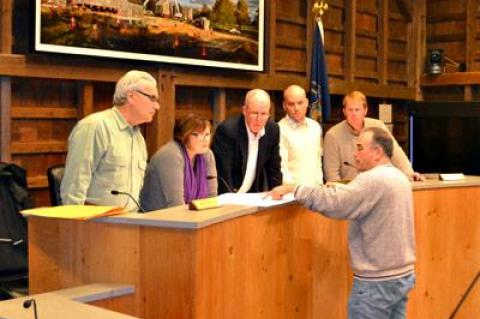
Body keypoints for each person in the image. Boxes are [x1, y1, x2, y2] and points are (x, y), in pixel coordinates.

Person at [270, 127, 416, 319]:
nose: (354, 154)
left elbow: (336, 203)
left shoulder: (372, 180)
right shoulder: (398, 176)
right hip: (401, 276)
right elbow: (361, 197)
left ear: (377, 152)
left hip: (376, 283)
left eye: (360, 148)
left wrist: (295, 189)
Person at [61, 70, 160, 212]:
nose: (157, 106)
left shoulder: (138, 137)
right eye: (152, 98)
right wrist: (75, 229)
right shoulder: (94, 127)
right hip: (95, 224)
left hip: (128, 222)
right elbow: (74, 187)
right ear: (131, 96)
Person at [323, 90, 424, 182]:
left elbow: (395, 154)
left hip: (377, 188)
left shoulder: (378, 126)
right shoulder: (333, 135)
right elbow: (332, 175)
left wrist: (410, 174)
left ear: (365, 111)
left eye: (357, 110)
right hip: (349, 193)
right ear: (344, 112)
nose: (353, 113)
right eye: (350, 110)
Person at [140, 113, 217, 211]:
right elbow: (176, 205)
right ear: (184, 135)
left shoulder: (207, 155)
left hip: (190, 218)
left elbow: (211, 199)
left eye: (207, 134)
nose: (205, 140)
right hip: (157, 220)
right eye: (199, 135)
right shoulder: (171, 155)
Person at [211, 89, 282, 194]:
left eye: (263, 114)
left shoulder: (272, 129)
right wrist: (231, 201)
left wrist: (278, 195)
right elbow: (223, 174)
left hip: (251, 195)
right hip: (228, 194)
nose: (259, 119)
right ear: (244, 110)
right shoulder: (228, 131)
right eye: (254, 113)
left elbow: (274, 169)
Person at [278, 85, 323, 186]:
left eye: (300, 103)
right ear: (284, 106)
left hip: (315, 193)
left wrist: (320, 186)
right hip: (292, 195)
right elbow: (282, 169)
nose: (296, 108)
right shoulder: (279, 130)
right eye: (291, 104)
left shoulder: (315, 127)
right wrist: (294, 192)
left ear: (307, 102)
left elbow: (317, 161)